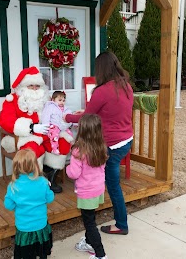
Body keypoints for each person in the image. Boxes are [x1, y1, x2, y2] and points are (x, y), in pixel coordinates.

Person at [65, 51, 133, 235]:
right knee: (106, 179)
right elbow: (111, 112)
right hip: (126, 140)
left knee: (113, 185)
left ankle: (121, 225)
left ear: (101, 69)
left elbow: (87, 116)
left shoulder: (102, 91)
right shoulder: (126, 86)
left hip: (112, 143)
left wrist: (66, 116)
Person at [0, 66, 70, 193]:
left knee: (63, 142)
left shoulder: (46, 99)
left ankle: (50, 178)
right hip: (23, 136)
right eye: (31, 86)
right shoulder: (12, 100)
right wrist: (31, 127)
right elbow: (5, 121)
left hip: (46, 133)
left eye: (37, 86)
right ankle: (35, 183)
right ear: (22, 86)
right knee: (33, 148)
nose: (35, 89)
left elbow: (56, 114)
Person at [66, 114, 109, 259]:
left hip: (86, 192)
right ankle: (89, 242)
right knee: (90, 217)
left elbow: (74, 173)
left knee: (89, 223)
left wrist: (67, 169)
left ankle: (100, 254)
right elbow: (102, 168)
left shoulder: (78, 150)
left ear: (82, 130)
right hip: (98, 189)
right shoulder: (101, 146)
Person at [4, 149, 54, 259]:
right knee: (41, 252)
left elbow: (8, 205)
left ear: (16, 166)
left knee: (27, 254)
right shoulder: (43, 181)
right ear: (35, 164)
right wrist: (48, 188)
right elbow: (50, 198)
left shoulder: (13, 186)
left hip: (24, 227)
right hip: (40, 224)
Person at [41, 90, 74, 155]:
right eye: (60, 100)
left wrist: (72, 123)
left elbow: (70, 116)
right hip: (54, 125)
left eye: (63, 100)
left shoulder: (66, 109)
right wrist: (45, 126)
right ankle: (54, 148)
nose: (62, 102)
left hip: (62, 126)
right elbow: (46, 116)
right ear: (53, 100)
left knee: (70, 133)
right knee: (54, 135)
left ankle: (72, 146)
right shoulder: (50, 107)